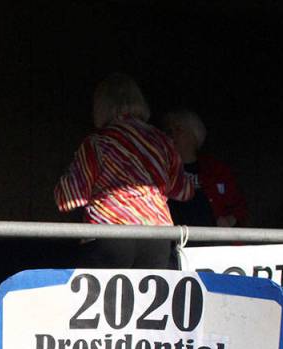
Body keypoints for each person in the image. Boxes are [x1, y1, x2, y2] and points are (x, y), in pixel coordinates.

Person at [55, 73, 196, 269]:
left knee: (103, 299)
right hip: (157, 238)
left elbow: (70, 198)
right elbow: (184, 190)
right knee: (148, 299)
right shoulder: (163, 142)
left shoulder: (98, 143)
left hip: (109, 234)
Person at [162, 108, 249, 228]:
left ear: (194, 134)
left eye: (178, 129)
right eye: (169, 131)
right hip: (177, 241)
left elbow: (240, 206)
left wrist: (229, 220)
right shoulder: (162, 168)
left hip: (213, 242)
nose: (172, 135)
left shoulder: (216, 169)